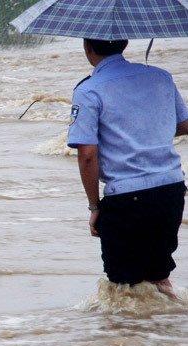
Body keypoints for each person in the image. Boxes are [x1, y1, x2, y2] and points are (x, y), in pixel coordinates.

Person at [67, 38, 188, 298]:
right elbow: (184, 124)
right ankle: (170, 329)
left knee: (122, 291)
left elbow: (87, 155)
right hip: (171, 191)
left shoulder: (89, 90)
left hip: (126, 198)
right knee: (158, 277)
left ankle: (123, 338)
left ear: (87, 47)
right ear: (125, 43)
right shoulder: (160, 77)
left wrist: (94, 206)